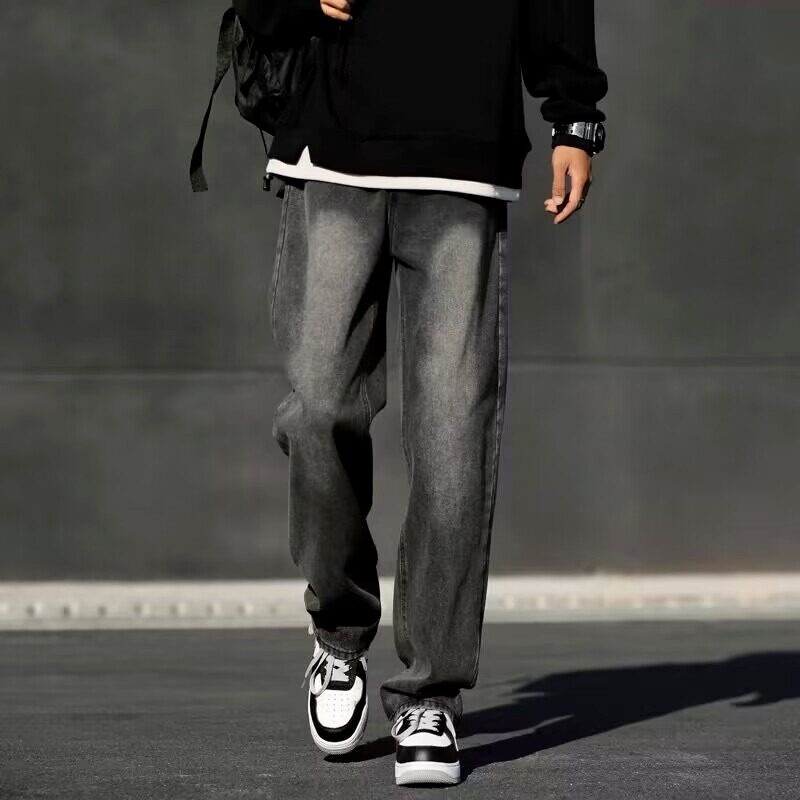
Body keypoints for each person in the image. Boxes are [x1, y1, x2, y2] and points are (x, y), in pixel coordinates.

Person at [251, 0, 608, 786]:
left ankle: (430, 693)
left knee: (452, 436)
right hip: (333, 146)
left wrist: (574, 116)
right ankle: (339, 632)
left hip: (462, 151)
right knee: (318, 411)